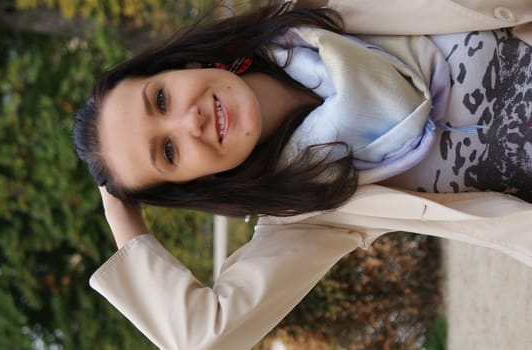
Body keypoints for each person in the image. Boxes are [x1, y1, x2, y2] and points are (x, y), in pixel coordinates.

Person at [72, 0, 532, 349]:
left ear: (182, 66)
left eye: (161, 100)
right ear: (191, 183)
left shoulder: (317, 12)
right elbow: (206, 337)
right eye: (168, 152)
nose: (189, 122)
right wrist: (121, 215)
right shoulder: (308, 212)